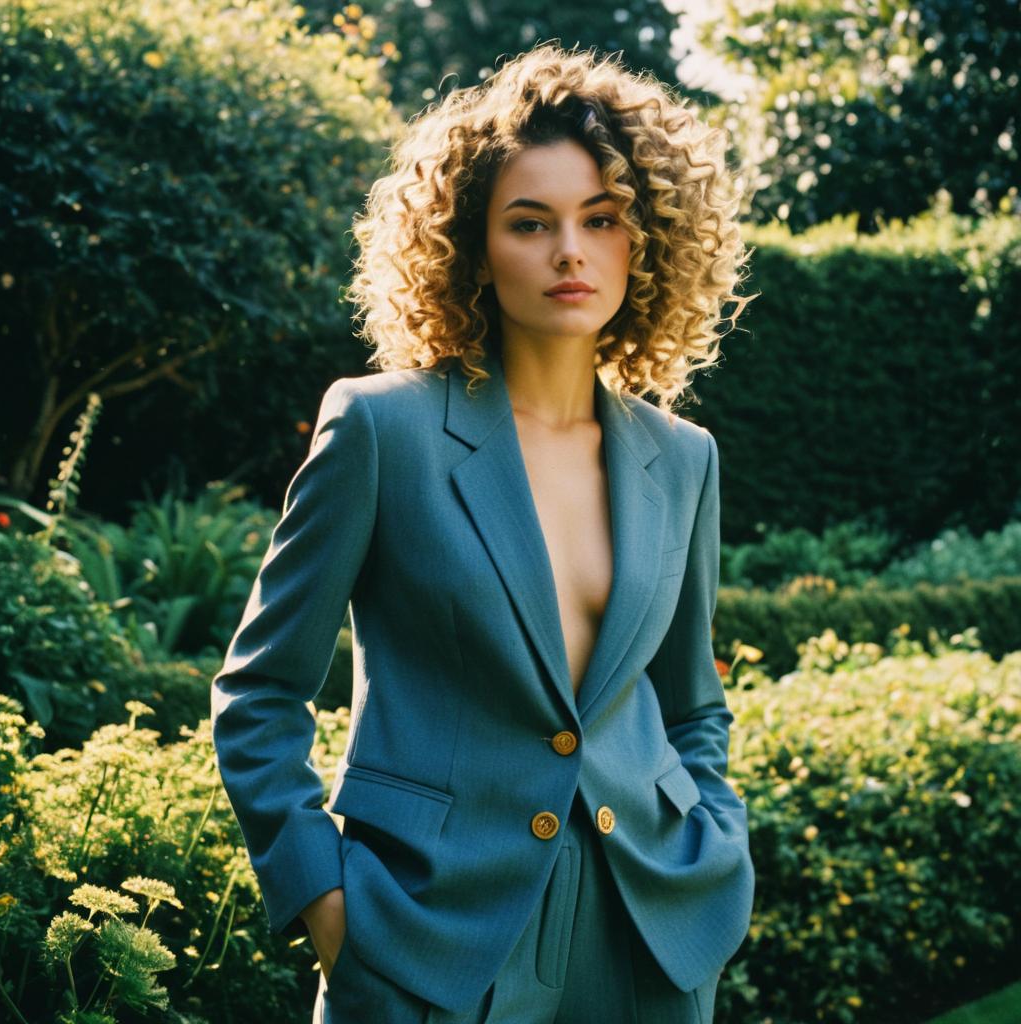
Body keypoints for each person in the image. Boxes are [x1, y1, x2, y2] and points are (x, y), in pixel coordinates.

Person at [211, 41, 756, 1024]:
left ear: (647, 241)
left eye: (601, 220)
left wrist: (717, 838)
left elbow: (691, 704)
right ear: (471, 245)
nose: (568, 252)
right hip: (427, 934)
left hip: (648, 933)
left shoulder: (682, 458)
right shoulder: (382, 429)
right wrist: (327, 904)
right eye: (528, 222)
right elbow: (259, 692)